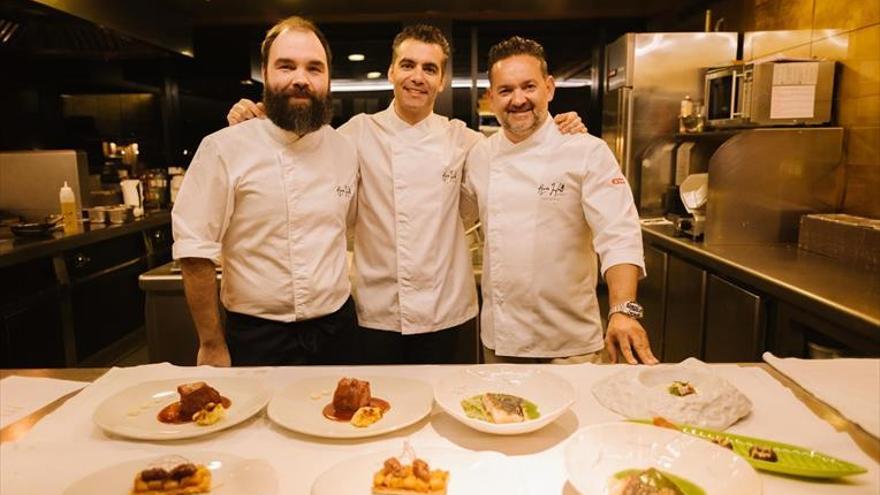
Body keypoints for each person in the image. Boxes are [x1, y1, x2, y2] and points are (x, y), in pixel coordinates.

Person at [227, 25, 586, 364]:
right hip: (376, 313)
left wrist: (558, 129)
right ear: (391, 72)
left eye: (430, 68)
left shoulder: (465, 140)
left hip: (448, 311)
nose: (418, 76)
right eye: (408, 65)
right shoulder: (354, 134)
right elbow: (296, 146)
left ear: (442, 80)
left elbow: (521, 151)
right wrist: (255, 120)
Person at [172, 16, 359, 366]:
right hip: (257, 337)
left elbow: (345, 228)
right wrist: (211, 343)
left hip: (337, 330)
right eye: (286, 66)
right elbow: (195, 251)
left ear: (328, 79)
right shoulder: (223, 148)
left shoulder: (345, 149)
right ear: (266, 74)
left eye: (314, 68)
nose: (300, 79)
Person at [463, 36, 658, 365]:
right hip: (501, 342)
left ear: (549, 88)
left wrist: (623, 310)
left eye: (529, 87)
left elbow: (619, 233)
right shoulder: (480, 155)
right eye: (506, 90)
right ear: (491, 97)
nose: (518, 99)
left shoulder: (586, 150)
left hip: (572, 345)